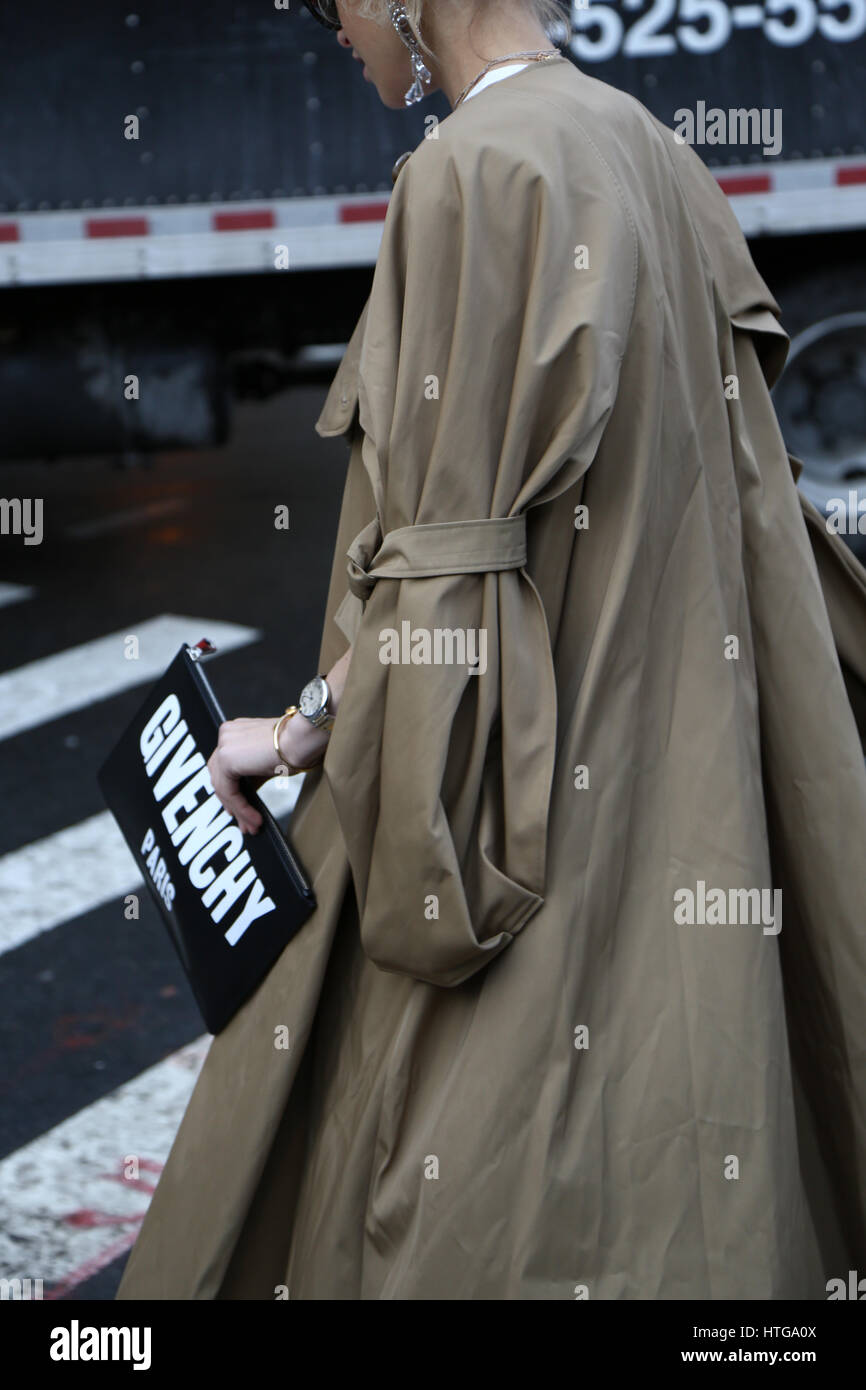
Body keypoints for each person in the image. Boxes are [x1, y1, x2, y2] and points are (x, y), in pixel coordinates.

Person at [116, 0, 866, 1300]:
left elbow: (441, 575)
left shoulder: (466, 174)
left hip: (519, 801)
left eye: (327, 2)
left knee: (433, 1173)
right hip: (678, 781)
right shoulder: (650, 148)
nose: (326, 26)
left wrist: (298, 734)